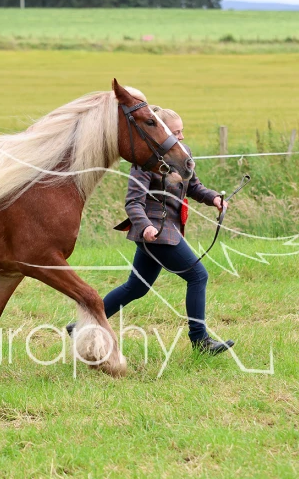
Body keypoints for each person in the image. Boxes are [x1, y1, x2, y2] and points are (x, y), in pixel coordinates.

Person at [68, 106, 235, 355]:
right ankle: (200, 341)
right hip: (156, 233)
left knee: (136, 287)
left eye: (182, 131)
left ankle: (81, 326)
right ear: (163, 132)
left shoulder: (182, 154)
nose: (181, 137)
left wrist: (214, 199)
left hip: (165, 231)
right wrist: (145, 225)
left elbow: (193, 187)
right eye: (175, 133)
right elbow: (133, 202)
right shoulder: (145, 162)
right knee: (198, 276)